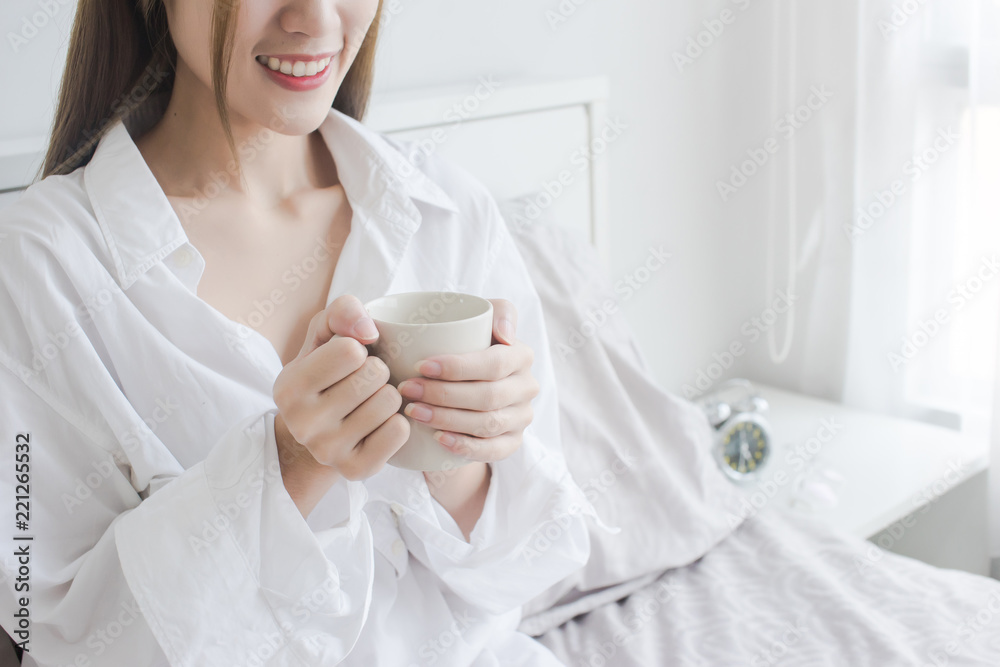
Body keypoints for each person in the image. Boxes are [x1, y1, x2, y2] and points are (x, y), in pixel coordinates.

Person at [0, 0, 602, 664]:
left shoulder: (448, 211)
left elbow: (528, 571)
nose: (316, 20)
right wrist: (289, 460)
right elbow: (63, 638)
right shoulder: (42, 266)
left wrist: (460, 453)